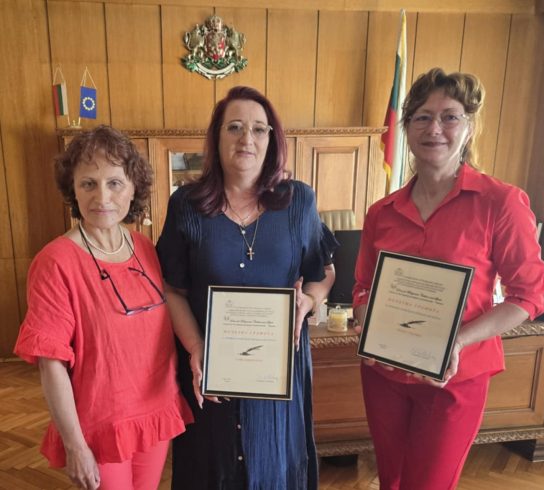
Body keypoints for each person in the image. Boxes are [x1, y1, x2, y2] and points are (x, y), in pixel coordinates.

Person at [352, 68, 544, 490]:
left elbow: (530, 295)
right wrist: (370, 323)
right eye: (422, 117)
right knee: (392, 481)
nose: (434, 129)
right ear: (407, 128)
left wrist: (457, 342)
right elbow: (363, 287)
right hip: (385, 375)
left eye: (449, 117)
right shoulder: (381, 213)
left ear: (469, 126)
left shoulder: (500, 203)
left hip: (455, 379)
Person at [156, 86, 336, 490]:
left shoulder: (299, 201)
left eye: (258, 128)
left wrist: (309, 300)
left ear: (272, 139)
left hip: (278, 372)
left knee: (275, 467)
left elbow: (323, 272)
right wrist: (197, 347)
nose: (246, 138)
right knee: (210, 470)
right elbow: (172, 289)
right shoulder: (187, 204)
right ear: (217, 137)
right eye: (234, 127)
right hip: (209, 367)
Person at [13, 125, 193, 490]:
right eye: (88, 184)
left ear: (133, 188)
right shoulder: (56, 262)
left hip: (155, 408)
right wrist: (74, 445)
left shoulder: (144, 248)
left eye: (114, 183)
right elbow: (51, 364)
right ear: (73, 189)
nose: (102, 197)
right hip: (100, 422)